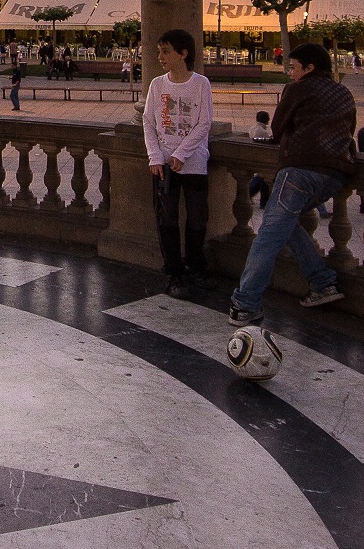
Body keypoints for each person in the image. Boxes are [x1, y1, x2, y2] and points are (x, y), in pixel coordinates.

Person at [228, 42, 349, 328]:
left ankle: (245, 304)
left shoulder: (298, 89)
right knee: (284, 220)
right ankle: (322, 282)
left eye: (294, 68)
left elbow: (278, 128)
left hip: (301, 169)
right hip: (337, 173)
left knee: (268, 235)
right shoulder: (344, 92)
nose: (290, 74)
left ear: (309, 68)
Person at [143, 30, 214, 295]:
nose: (160, 56)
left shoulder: (200, 84)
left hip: (193, 161)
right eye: (159, 51)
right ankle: (173, 271)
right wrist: (155, 156)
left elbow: (204, 122)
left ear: (183, 53)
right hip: (163, 163)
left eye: (166, 51)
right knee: (167, 219)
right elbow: (149, 121)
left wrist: (181, 154)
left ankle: (195, 266)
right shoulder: (157, 84)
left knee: (197, 217)